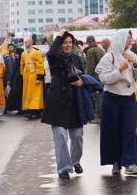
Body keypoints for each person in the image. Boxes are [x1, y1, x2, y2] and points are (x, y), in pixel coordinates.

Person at [97, 30, 137, 176]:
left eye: (131, 38)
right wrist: (120, 69)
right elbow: (105, 79)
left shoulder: (133, 55)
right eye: (127, 38)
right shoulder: (108, 57)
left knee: (130, 130)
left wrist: (135, 63)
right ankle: (115, 161)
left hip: (129, 97)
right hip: (112, 98)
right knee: (113, 130)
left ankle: (130, 163)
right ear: (120, 39)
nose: (130, 40)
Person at [41, 32, 86, 178]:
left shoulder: (76, 58)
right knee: (60, 136)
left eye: (70, 42)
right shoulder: (54, 57)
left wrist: (82, 81)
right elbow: (52, 51)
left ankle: (75, 161)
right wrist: (60, 35)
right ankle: (64, 168)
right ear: (60, 44)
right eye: (65, 42)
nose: (68, 45)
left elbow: (83, 75)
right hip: (57, 103)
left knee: (78, 135)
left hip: (74, 102)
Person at [19, 37, 45, 119]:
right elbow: (21, 64)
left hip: (34, 75)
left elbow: (40, 65)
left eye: (27, 42)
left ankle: (36, 111)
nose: (25, 44)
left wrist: (39, 77)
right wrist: (22, 74)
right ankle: (28, 110)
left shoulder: (37, 53)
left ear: (31, 42)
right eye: (25, 42)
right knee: (27, 93)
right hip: (26, 75)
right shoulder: (23, 54)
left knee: (35, 93)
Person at [83, 36, 104, 122]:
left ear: (87, 42)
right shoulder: (101, 50)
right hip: (101, 75)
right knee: (101, 95)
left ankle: (99, 116)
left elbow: (90, 66)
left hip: (94, 77)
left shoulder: (90, 51)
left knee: (96, 96)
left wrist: (87, 78)